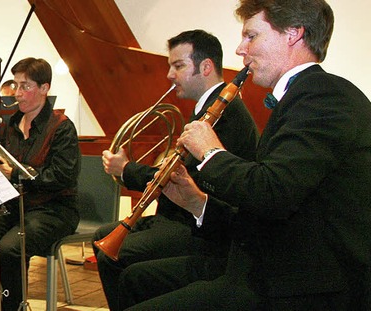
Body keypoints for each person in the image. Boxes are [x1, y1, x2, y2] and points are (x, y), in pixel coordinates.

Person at [123, 0, 371, 309]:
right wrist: (197, 203)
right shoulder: (302, 97)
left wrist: (209, 151)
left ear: (293, 34)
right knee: (136, 281)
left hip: (304, 288)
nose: (241, 49)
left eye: (251, 36)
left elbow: (273, 192)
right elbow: (264, 210)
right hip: (268, 269)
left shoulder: (325, 97)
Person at [94, 29, 259, 311]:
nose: (169, 74)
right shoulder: (205, 109)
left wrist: (127, 170)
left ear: (205, 67)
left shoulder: (223, 113)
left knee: (116, 259)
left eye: (178, 65)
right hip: (181, 215)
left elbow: (186, 180)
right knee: (104, 236)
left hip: (199, 226)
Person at [0, 57, 81, 311]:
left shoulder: (62, 128)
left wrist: (15, 175)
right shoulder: (11, 125)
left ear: (44, 88)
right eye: (16, 85)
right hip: (16, 207)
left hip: (54, 210)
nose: (18, 93)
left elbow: (62, 176)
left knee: (9, 250)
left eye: (25, 86)